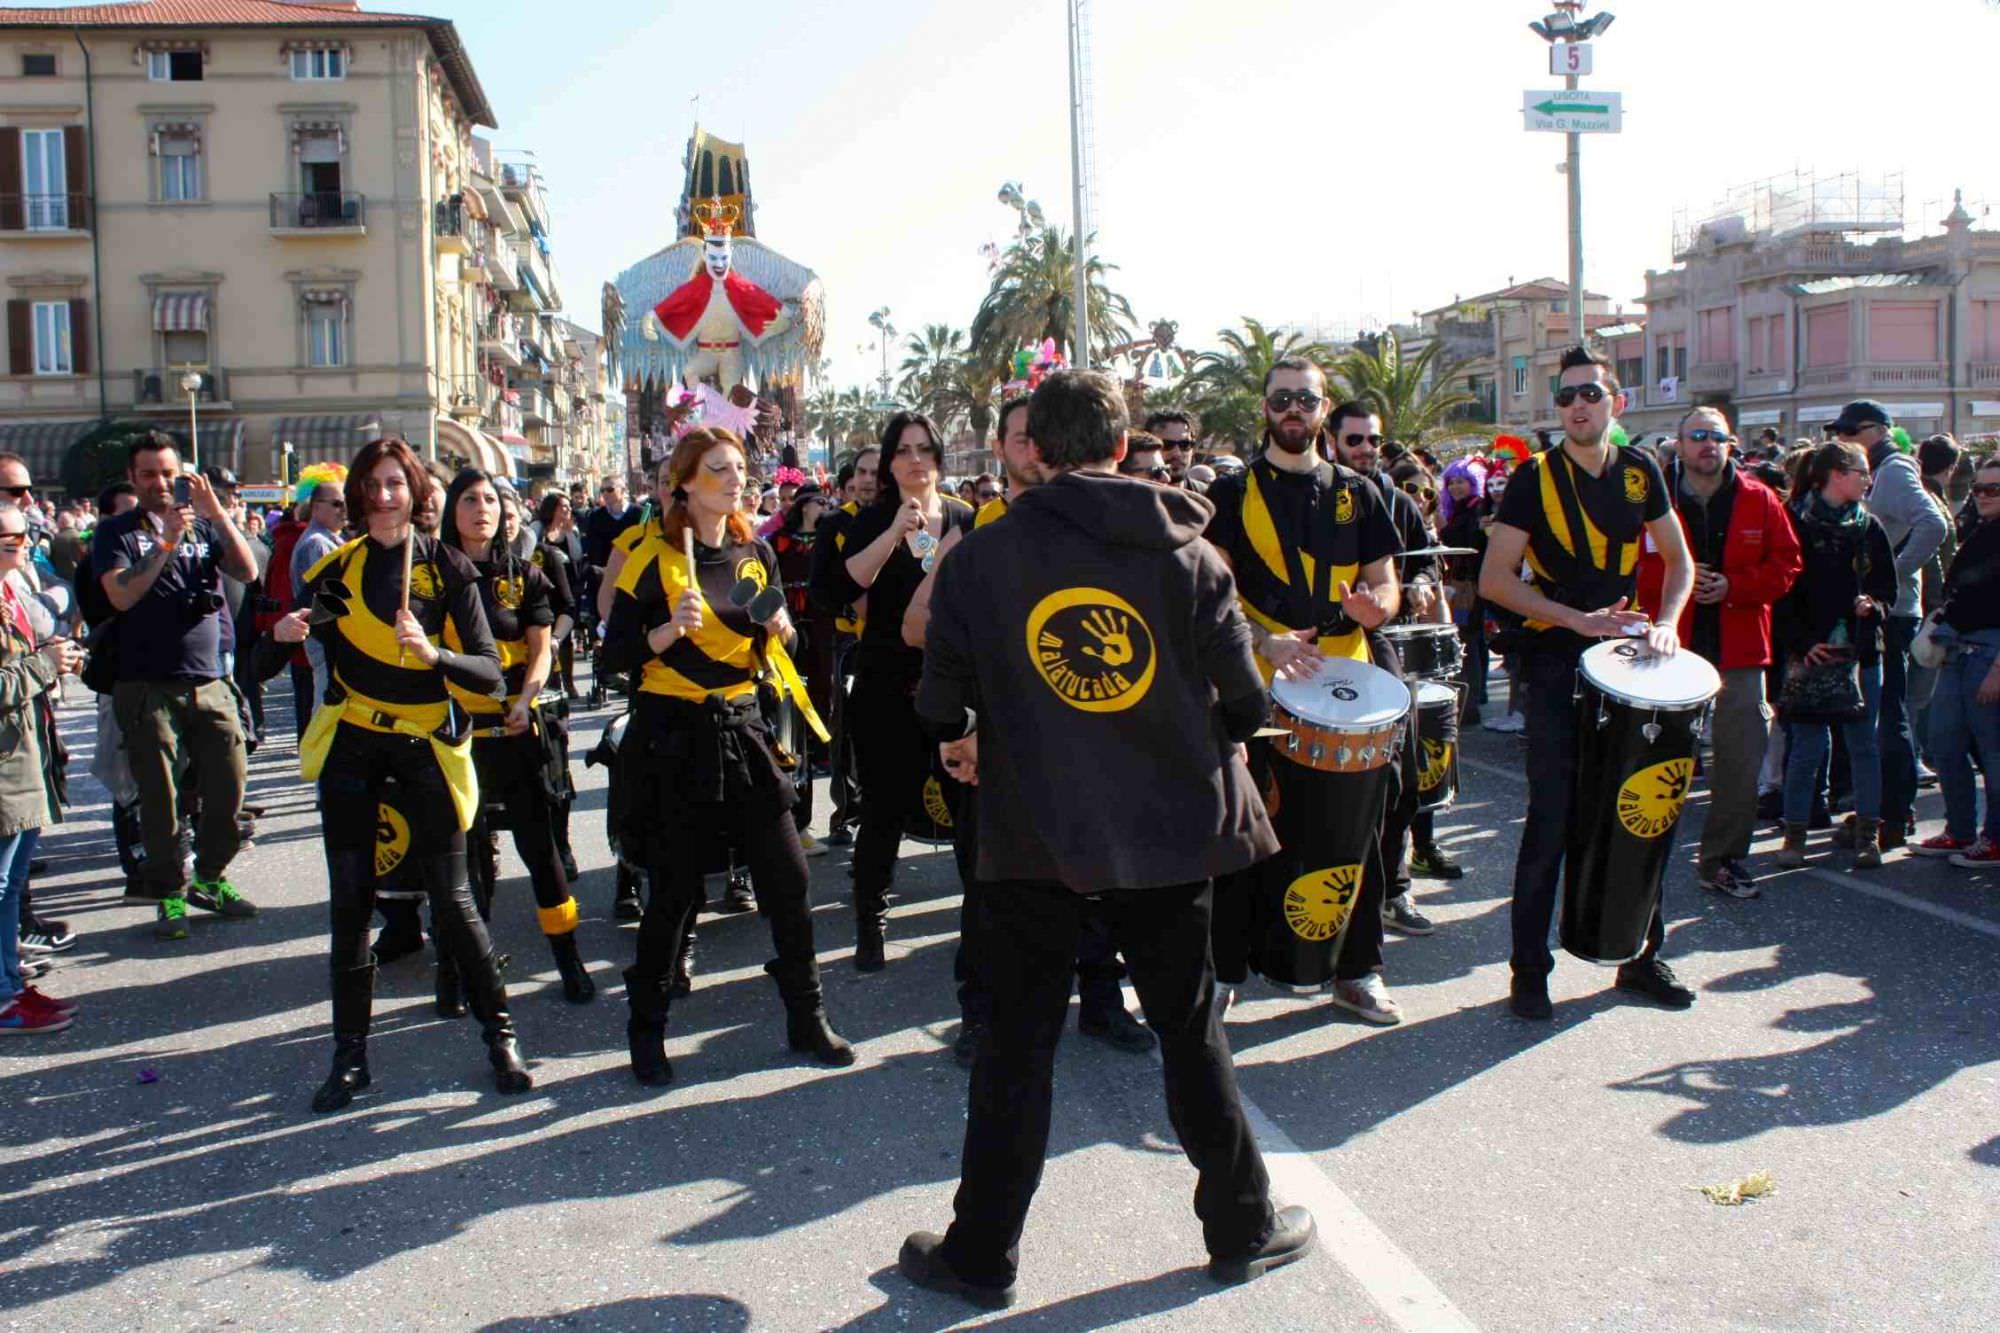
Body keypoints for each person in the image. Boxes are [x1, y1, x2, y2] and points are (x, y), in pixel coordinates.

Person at [899, 370, 1311, 1310]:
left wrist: (971, 736)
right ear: (1123, 449)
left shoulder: (984, 558)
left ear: (1034, 452)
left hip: (1034, 827)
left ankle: (982, 1253)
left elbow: (937, 700)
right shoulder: (1193, 555)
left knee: (1016, 1041)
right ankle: (1241, 1224)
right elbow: (1247, 704)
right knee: (1188, 1022)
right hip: (1169, 827)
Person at [262, 437, 531, 1112]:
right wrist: (280, 639)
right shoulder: (338, 569)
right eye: (372, 485)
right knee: (350, 904)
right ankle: (349, 1058)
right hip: (354, 748)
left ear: (414, 493)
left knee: (452, 897)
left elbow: (492, 677)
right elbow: (256, 666)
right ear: (356, 495)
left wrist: (433, 651)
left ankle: (500, 1037)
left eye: (395, 484)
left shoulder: (446, 569)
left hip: (425, 747)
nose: (383, 496)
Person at [905, 393, 1156, 1062]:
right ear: (1005, 449)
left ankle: (1102, 1001)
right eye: (1018, 437)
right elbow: (914, 625)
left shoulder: (1097, 527)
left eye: (1038, 436)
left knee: (1102, 879)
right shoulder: (975, 530)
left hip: (1089, 737)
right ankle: (980, 1013)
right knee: (991, 889)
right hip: (1002, 742)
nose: (1031, 448)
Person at [604, 427, 852, 1085]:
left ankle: (807, 1015)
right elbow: (612, 657)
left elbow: (785, 647)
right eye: (719, 467)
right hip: (671, 734)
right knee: (677, 890)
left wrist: (782, 631)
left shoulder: (754, 555)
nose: (735, 477)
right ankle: (647, 1029)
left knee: (790, 877)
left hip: (742, 726)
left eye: (740, 466)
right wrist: (664, 630)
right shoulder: (652, 559)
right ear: (686, 481)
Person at [1477, 346, 1694, 1021]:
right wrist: (1577, 619)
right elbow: (1495, 581)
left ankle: (1637, 952)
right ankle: (1529, 971)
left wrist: (1666, 622)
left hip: (1626, 666)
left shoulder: (1640, 471)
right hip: (1554, 664)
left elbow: (1681, 562)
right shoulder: (1531, 478)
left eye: (1591, 394)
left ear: (1615, 403)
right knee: (1553, 819)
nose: (1578, 405)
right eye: (1568, 395)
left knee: (1634, 809)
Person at [1203, 362, 1407, 1024]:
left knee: (1358, 832)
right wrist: (1264, 642)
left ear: (1325, 409)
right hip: (1257, 689)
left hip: (1347, 688)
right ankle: (1228, 968)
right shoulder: (1232, 495)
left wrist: (1376, 607)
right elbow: (1212, 596)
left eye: (1306, 399)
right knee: (1245, 827)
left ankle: (1358, 969)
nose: (1294, 409)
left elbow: (1386, 583)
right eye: (1283, 398)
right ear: (1265, 407)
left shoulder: (1359, 492)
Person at [812, 417, 974, 969]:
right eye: (903, 451)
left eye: (925, 449)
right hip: (884, 681)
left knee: (968, 806)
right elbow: (840, 588)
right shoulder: (869, 519)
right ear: (888, 462)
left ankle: (979, 920)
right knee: (882, 809)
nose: (915, 460)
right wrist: (893, 535)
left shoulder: (963, 517)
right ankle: (870, 923)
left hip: (951, 683)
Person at [93, 433, 261, 938]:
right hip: (146, 685)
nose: (161, 483)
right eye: (149, 474)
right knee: (160, 796)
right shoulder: (116, 533)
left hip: (209, 678)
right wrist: (165, 541)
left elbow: (247, 571)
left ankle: (209, 877)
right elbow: (121, 596)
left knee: (230, 787)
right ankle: (168, 892)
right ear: (134, 477)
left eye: (169, 473)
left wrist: (217, 513)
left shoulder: (202, 526)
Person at [440, 470, 596, 1006]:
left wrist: (527, 699)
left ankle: (567, 958)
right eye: (469, 499)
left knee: (541, 849)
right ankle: (462, 970)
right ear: (450, 510)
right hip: (456, 736)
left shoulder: (525, 574)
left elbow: (542, 646)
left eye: (490, 499)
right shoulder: (427, 576)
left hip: (517, 727)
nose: (481, 509)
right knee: (465, 857)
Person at [1635, 408, 1801, 899]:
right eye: (1697, 436)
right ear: (1680, 444)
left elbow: (1788, 565)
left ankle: (1723, 859)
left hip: (1740, 647)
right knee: (1655, 756)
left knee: (1740, 758)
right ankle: (1639, 863)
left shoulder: (1760, 498)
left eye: (1717, 437)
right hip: (1666, 647)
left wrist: (1733, 586)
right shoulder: (1651, 497)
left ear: (1731, 444)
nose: (1708, 445)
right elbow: (1626, 564)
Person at [1325, 402, 1459, 930]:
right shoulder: (1323, 493)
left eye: (1373, 441)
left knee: (1398, 783)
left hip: (1390, 649)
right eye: (1354, 439)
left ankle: (1394, 888)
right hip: (1331, 653)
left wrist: (1421, 584)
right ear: (1332, 440)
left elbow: (1426, 557)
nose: (1365, 449)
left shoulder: (1398, 500)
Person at [1770, 441, 1899, 869]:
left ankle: (1868, 836)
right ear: (1835, 475)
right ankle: (1794, 837)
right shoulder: (1794, 522)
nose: (1868, 479)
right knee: (1807, 747)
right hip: (1811, 653)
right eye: (1862, 472)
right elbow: (1781, 594)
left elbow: (1888, 590)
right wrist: (1804, 643)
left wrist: (1873, 606)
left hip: (1860, 653)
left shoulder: (1869, 527)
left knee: (1864, 745)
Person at [1831, 401, 1946, 854]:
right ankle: (1879, 808)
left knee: (1888, 712)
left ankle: (1893, 814)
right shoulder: (1874, 469)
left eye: (1849, 430)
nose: (1842, 437)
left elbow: (1933, 524)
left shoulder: (1893, 469)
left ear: (1877, 431)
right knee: (1876, 711)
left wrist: (1892, 573)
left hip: (1892, 611)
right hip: (1882, 609)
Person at [0, 503, 84, 1034]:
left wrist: (50, 657)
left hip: (23, 759)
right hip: (5, 769)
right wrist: (43, 664)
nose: (16, 541)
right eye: (4, 535)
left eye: (18, 534)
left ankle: (9, 985)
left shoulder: (12, 589)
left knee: (10, 887)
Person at [1910, 456, 2000, 866]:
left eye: (1992, 489)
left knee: (1992, 751)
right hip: (1956, 648)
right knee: (1944, 744)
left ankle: (1995, 838)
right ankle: (1959, 830)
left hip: (1988, 654)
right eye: (1978, 488)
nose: (1981, 496)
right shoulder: (1980, 528)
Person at [1438, 456, 1490, 723]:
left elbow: (1466, 542)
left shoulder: (1477, 508)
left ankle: (1471, 705)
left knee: (1468, 641)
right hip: (1464, 583)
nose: (1456, 487)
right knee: (1472, 640)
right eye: (1451, 482)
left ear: (1474, 483)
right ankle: (1475, 698)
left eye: (1461, 481)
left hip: (1470, 585)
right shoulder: (1460, 509)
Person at [1144, 409, 1196, 485]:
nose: (1177, 453)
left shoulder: (1206, 494)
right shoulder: (1132, 494)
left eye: (1185, 444)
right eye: (1167, 444)